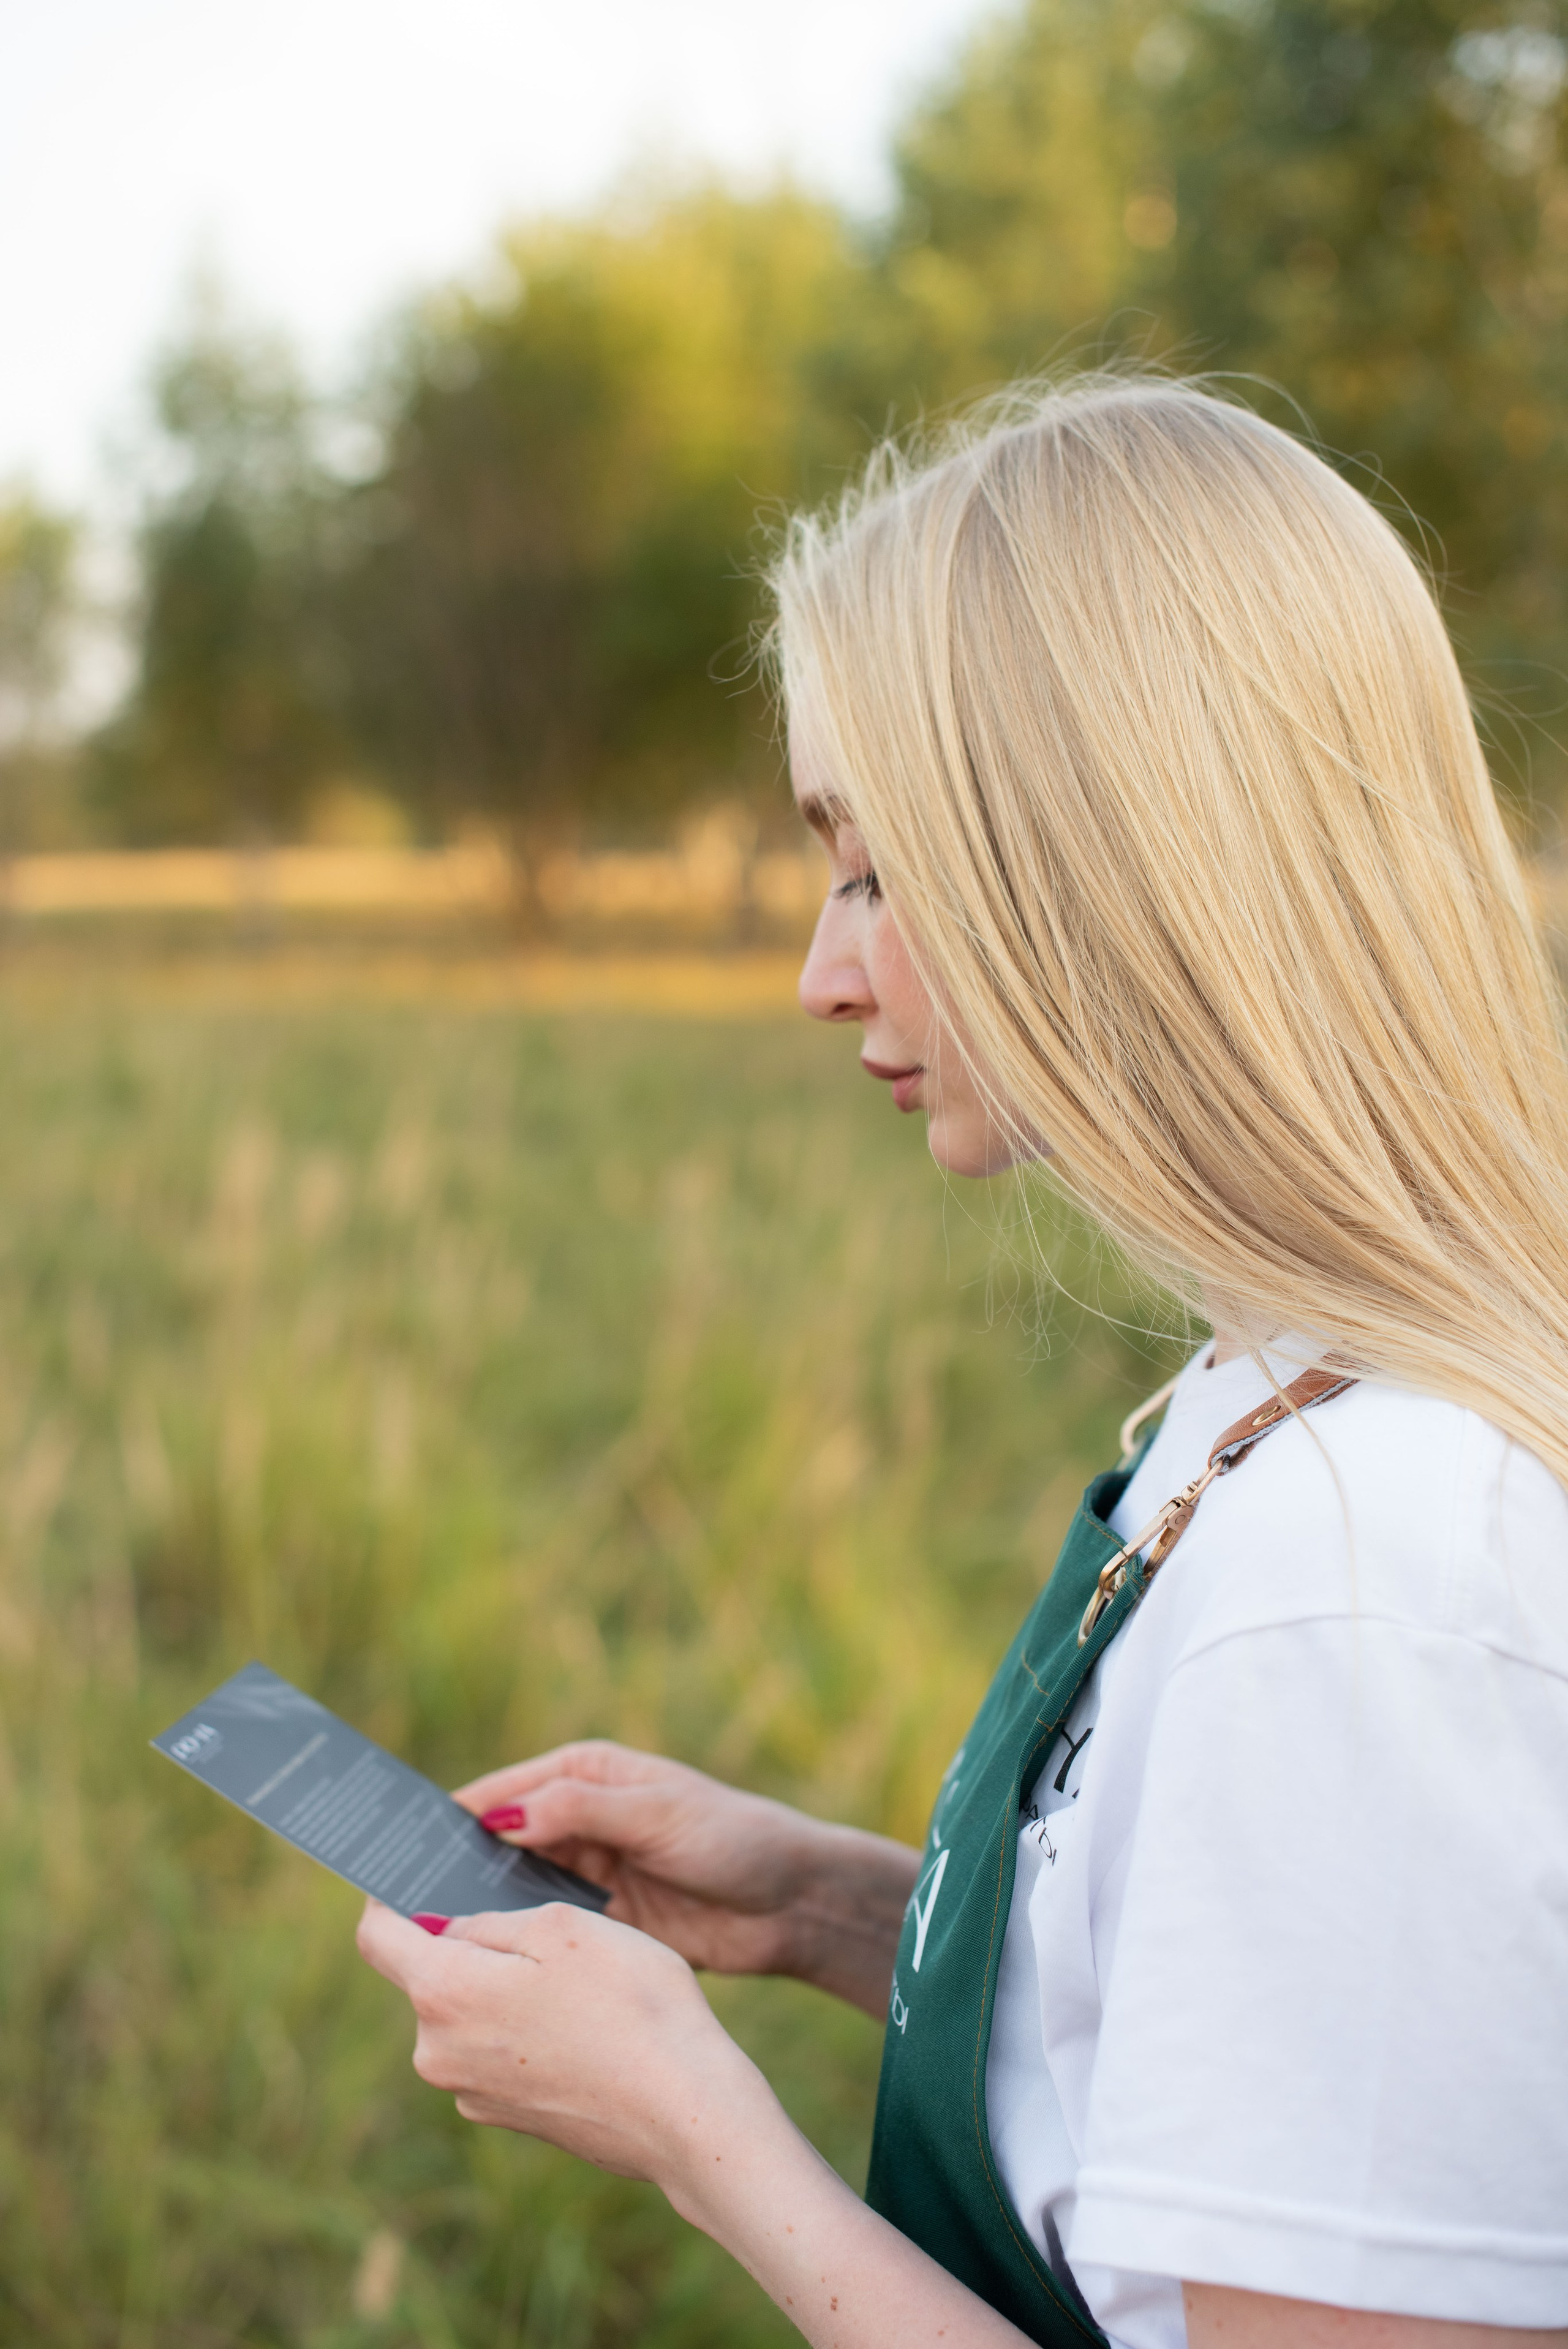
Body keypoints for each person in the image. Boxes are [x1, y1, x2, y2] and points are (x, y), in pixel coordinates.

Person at [356, 376, 1568, 2349]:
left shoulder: (1368, 1584)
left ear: (1114, 859)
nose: (828, 968)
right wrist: (842, 1911)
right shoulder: (1279, 1396)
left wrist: (703, 2138)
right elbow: (1257, 2028)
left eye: (878, 861)